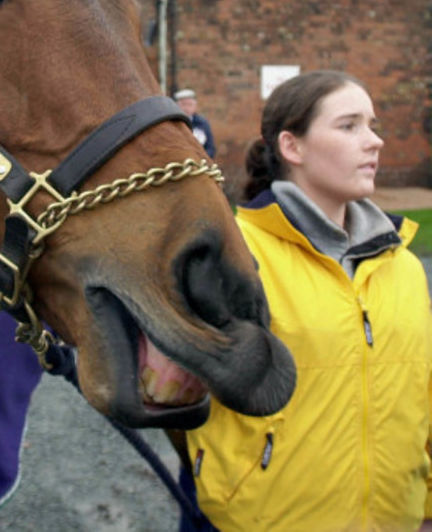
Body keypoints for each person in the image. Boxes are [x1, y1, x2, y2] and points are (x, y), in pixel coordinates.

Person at [180, 70, 432, 532]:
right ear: (292, 147)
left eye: (372, 125)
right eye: (349, 125)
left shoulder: (404, 265)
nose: (374, 141)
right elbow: (180, 401)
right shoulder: (235, 257)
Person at [174, 89, 217, 158]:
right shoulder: (173, 124)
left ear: (195, 106)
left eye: (190, 104)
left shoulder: (202, 124)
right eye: (183, 104)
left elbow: (210, 148)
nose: (186, 108)